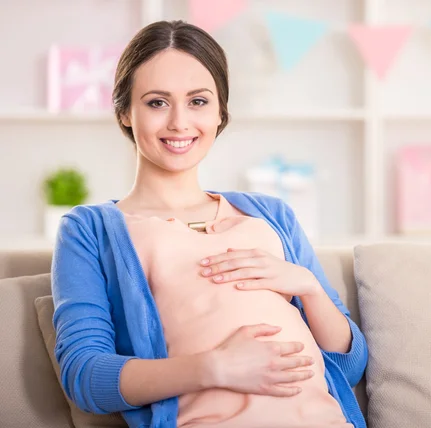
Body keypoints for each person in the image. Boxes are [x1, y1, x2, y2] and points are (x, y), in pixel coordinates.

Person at [51, 20, 368, 428]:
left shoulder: (272, 214)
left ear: (220, 113)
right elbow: (85, 377)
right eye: (157, 102)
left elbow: (351, 364)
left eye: (198, 101)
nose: (179, 123)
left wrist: (307, 286)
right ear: (125, 113)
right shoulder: (90, 229)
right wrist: (216, 368)